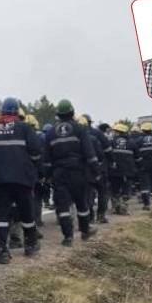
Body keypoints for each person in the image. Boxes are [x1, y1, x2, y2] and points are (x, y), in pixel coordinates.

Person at [0, 98, 42, 264]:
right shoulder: (24, 128)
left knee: (1, 216)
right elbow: (36, 152)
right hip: (22, 179)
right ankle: (30, 245)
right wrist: (33, 167)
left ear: (2, 112)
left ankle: (2, 251)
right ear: (17, 112)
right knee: (26, 213)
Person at [43, 99, 98, 246]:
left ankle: (68, 237)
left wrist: (47, 176)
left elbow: (47, 159)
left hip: (59, 174)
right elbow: (89, 153)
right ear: (72, 112)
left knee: (63, 206)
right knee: (81, 204)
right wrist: (95, 171)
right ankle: (85, 231)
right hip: (78, 172)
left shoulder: (50, 133)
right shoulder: (80, 129)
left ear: (58, 115)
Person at [109, 123, 138, 215]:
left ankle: (115, 207)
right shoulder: (132, 142)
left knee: (114, 189)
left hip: (114, 170)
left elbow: (107, 155)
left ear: (117, 132)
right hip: (128, 171)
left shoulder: (111, 141)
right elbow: (137, 158)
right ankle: (123, 209)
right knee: (126, 190)